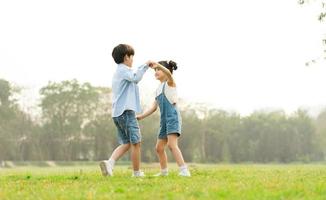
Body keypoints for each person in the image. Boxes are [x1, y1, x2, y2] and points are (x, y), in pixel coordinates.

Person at [99, 44, 153, 177]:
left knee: (127, 143)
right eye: (131, 56)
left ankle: (110, 163)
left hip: (118, 114)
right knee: (136, 143)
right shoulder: (123, 71)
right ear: (126, 57)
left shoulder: (120, 71)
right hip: (126, 112)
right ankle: (136, 173)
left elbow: (133, 78)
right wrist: (145, 65)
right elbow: (136, 78)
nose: (132, 59)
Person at [137, 60, 191, 177]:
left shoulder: (170, 84)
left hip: (172, 118)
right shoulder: (157, 90)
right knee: (159, 148)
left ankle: (184, 170)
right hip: (164, 121)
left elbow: (169, 74)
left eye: (159, 69)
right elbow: (153, 107)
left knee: (172, 145)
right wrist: (141, 116)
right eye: (155, 70)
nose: (156, 71)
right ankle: (164, 172)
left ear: (166, 71)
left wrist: (158, 64)